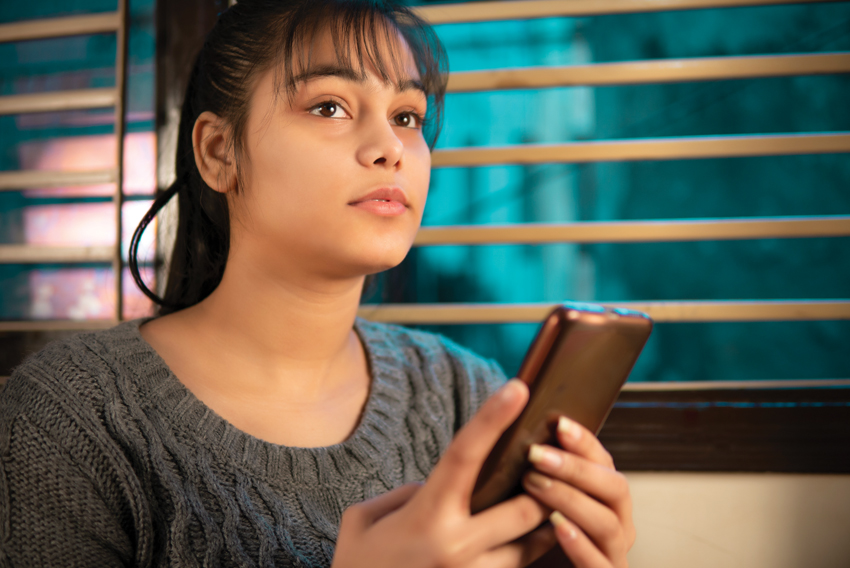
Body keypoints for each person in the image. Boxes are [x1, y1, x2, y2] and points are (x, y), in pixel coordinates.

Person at [0, 1, 635, 566]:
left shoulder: (467, 397)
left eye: (408, 116)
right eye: (330, 106)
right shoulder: (72, 419)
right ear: (220, 152)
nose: (390, 146)